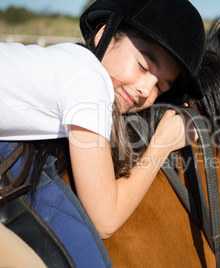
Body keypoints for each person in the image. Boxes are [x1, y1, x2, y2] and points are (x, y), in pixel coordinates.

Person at [0, 0, 205, 241]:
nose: (146, 90)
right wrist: (161, 144)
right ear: (103, 35)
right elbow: (105, 220)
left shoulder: (69, 64)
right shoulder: (89, 79)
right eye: (143, 66)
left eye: (160, 87)